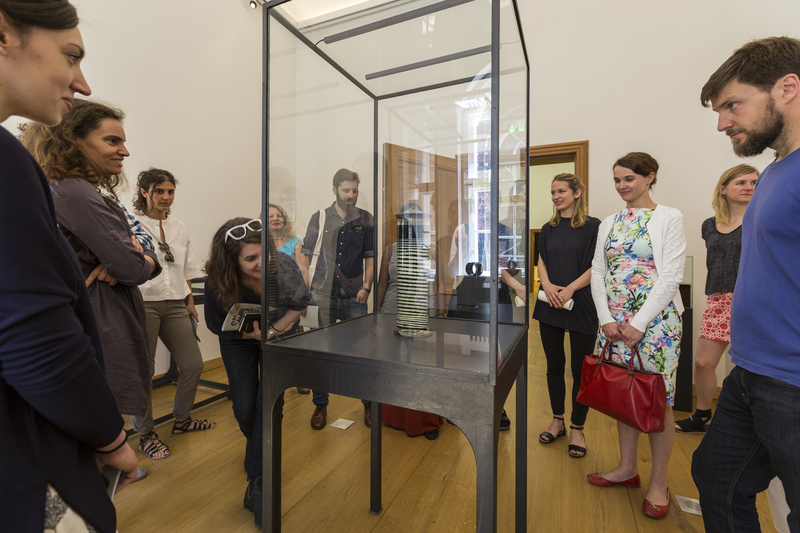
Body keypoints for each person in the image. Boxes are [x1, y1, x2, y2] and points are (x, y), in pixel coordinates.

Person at [0, 2, 138, 531]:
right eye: (71, 55)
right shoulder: (15, 167)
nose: (81, 82)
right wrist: (109, 436)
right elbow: (33, 336)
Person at [693, 36, 800, 532]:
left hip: (791, 381)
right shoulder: (775, 170)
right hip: (750, 372)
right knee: (717, 478)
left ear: (787, 88)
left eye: (732, 105)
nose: (722, 123)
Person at [19, 99, 165, 462]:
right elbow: (131, 268)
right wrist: (141, 258)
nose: (124, 151)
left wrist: (135, 256)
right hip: (99, 317)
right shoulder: (73, 191)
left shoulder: (69, 188)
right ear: (73, 140)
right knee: (97, 433)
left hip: (93, 312)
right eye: (112, 141)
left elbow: (134, 252)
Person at [587, 152, 686, 520]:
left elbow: (671, 276)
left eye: (628, 178)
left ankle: (659, 483)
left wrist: (640, 323)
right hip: (613, 324)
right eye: (617, 180)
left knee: (658, 401)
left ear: (650, 177)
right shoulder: (609, 222)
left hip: (655, 324)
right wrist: (605, 318)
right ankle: (627, 468)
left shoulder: (669, 217)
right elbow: (598, 272)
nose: (621, 186)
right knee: (622, 393)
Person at [204, 218, 308, 529]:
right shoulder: (217, 279)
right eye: (250, 259)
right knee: (245, 407)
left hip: (278, 334)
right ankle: (257, 448)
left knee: (269, 404)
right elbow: (216, 323)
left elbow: (298, 306)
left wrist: (271, 333)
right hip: (238, 339)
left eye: (264, 253)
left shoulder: (283, 265)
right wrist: (249, 335)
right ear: (231, 261)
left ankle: (258, 482)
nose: (261, 263)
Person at [133, 168, 216, 448]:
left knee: (193, 364)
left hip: (177, 302)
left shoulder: (179, 226)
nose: (166, 197)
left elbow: (185, 268)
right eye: (159, 191)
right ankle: (146, 434)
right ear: (144, 193)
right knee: (144, 371)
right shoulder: (132, 224)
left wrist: (189, 300)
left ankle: (182, 420)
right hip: (144, 302)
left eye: (170, 191)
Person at [674, 164, 758, 433]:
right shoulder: (709, 225)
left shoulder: (761, 219)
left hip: (753, 298)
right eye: (741, 183)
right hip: (718, 297)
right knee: (703, 362)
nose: (748, 187)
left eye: (754, 183)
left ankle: (754, 423)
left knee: (750, 365)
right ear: (723, 189)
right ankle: (702, 416)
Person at [297, 168, 374, 430]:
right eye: (346, 190)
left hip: (355, 297)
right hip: (321, 295)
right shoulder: (319, 217)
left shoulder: (366, 218)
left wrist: (367, 287)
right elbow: (305, 254)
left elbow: (370, 257)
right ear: (334, 191)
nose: (351, 195)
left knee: (363, 353)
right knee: (319, 352)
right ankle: (320, 404)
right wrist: (306, 290)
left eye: (355, 190)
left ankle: (368, 403)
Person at [533, 173, 600, 458]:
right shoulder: (548, 228)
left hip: (581, 302)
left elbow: (598, 265)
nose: (556, 196)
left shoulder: (594, 226)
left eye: (561, 191)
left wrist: (570, 289)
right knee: (554, 365)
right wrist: (547, 286)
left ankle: (577, 428)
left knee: (580, 370)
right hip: (550, 301)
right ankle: (557, 420)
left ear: (577, 193)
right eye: (553, 192)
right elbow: (541, 260)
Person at [375, 206, 444, 440]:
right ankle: (395, 417)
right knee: (395, 364)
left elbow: (437, 285)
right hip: (392, 312)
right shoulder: (390, 250)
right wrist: (377, 313)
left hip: (421, 313)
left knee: (421, 365)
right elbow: (382, 283)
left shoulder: (432, 251)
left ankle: (424, 419)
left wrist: (439, 314)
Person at [266, 202, 310, 394]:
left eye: (279, 215)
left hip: (290, 302)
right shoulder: (259, 242)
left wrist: (302, 299)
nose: (275, 219)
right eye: (270, 216)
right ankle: (276, 380)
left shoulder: (295, 242)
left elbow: (303, 271)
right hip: (269, 301)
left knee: (294, 341)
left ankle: (298, 378)